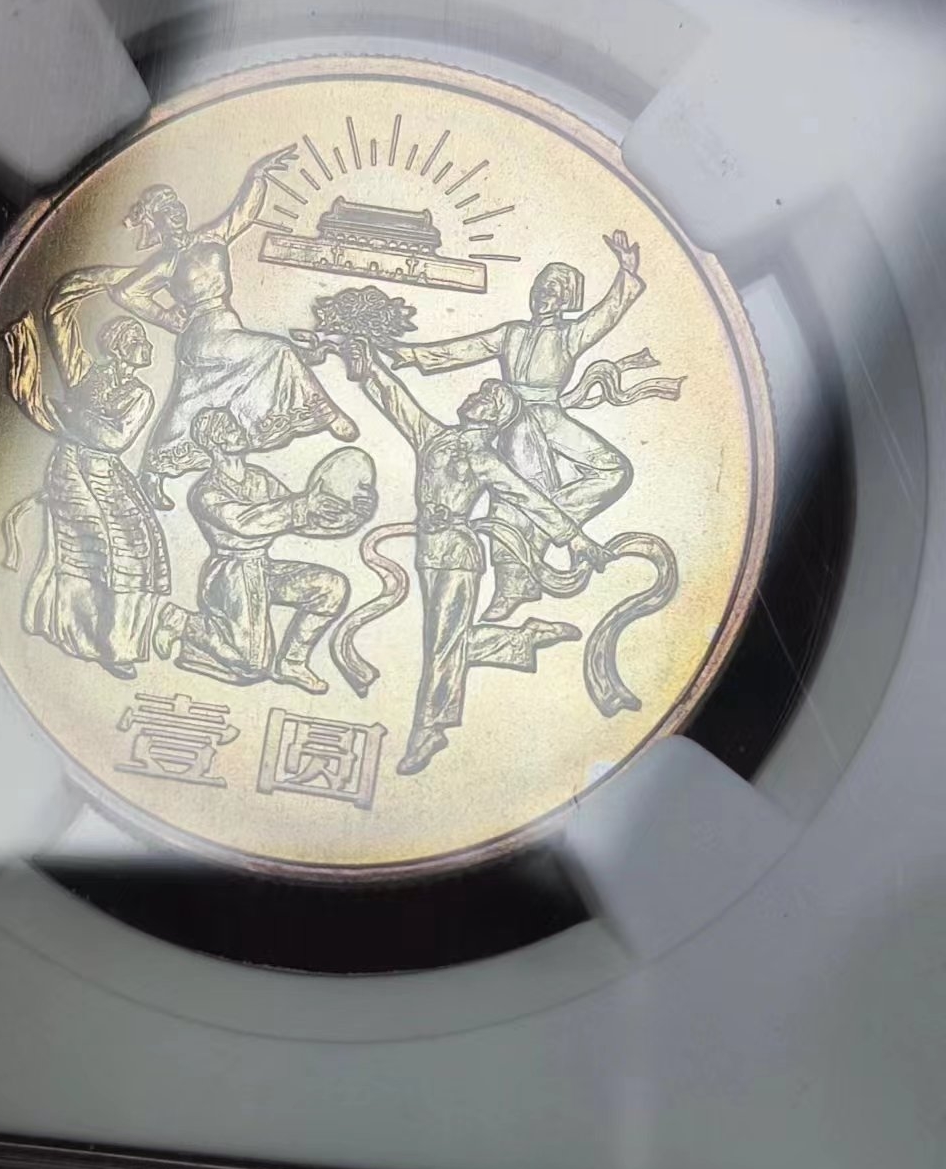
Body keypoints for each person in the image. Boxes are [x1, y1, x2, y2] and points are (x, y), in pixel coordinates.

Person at [338, 337, 607, 776]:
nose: (475, 395)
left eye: (486, 396)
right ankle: (523, 639)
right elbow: (396, 402)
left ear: (495, 416)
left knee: (441, 644)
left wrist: (573, 538)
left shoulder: (487, 460)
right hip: (429, 552)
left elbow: (530, 499)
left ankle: (428, 730)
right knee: (443, 638)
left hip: (460, 555)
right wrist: (366, 363)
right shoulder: (434, 437)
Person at [45, 146, 357, 510]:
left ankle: (152, 474)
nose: (175, 216)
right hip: (203, 334)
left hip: (225, 325)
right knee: (279, 351)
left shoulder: (213, 237)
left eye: (176, 208)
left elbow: (243, 213)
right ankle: (326, 413)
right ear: (157, 224)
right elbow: (125, 292)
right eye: (165, 214)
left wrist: (257, 176)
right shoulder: (167, 261)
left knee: (185, 406)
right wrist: (165, 317)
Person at [388, 229, 645, 622]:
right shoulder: (512, 333)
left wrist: (626, 274)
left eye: (554, 289)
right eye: (542, 286)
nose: (544, 293)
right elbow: (466, 348)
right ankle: (512, 587)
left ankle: (547, 522)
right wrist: (410, 356)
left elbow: (605, 316)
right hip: (511, 420)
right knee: (508, 499)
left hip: (551, 416)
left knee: (615, 470)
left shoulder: (568, 334)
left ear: (567, 300)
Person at [153, 408, 368, 695]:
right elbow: (247, 523)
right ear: (214, 441)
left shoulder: (260, 479)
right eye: (230, 428)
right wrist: (303, 506)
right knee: (252, 664)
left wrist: (351, 514)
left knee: (331, 587)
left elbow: (302, 522)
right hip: (230, 574)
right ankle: (183, 622)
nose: (239, 431)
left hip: (263, 568)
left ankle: (292, 662)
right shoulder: (206, 492)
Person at [1, 313, 169, 680]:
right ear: (119, 347)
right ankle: (82, 636)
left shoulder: (141, 394)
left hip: (107, 472)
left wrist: (69, 413)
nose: (147, 346)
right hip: (71, 470)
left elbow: (115, 439)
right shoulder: (87, 374)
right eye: (137, 340)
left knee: (139, 549)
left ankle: (118, 643)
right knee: (92, 546)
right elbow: (59, 319)